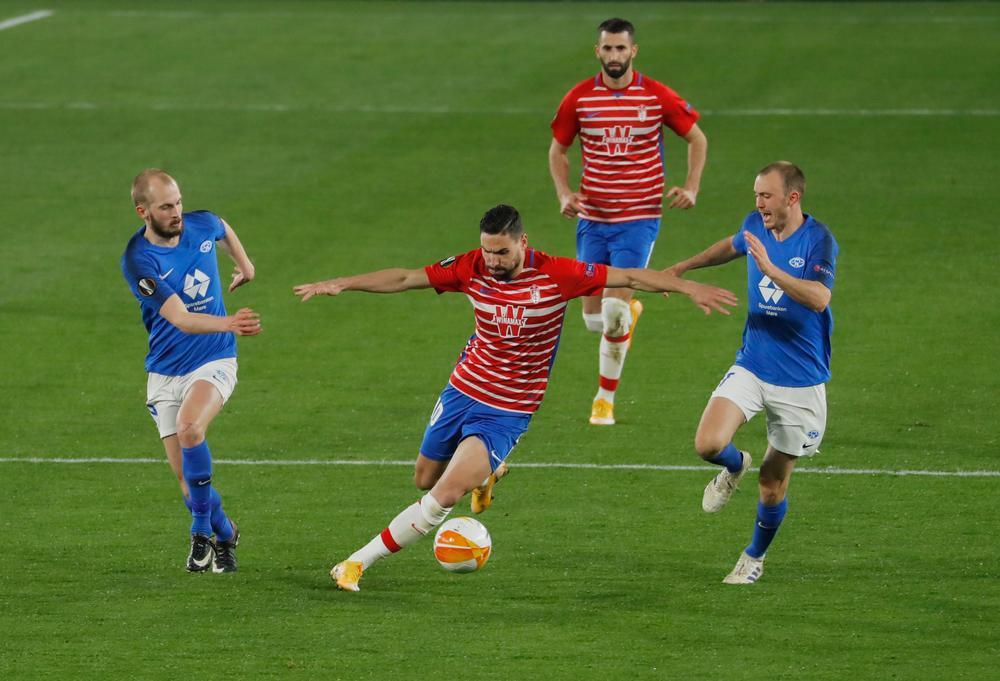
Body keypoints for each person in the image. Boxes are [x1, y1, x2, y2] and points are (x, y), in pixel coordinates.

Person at [293, 204, 737, 592]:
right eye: (487, 251)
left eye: (502, 251)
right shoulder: (470, 266)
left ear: (523, 242)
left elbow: (628, 275)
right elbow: (408, 277)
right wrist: (344, 282)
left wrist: (688, 286)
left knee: (444, 494)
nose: (493, 260)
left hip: (507, 410)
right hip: (462, 388)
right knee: (424, 479)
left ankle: (355, 563)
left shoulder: (558, 274)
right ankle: (489, 471)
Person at [665, 162, 838, 584]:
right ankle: (732, 464)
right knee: (708, 443)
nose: (758, 203)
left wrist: (773, 270)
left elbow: (818, 297)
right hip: (753, 364)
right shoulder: (754, 226)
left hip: (800, 379)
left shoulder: (819, 240)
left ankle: (753, 557)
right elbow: (730, 245)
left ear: (792, 197)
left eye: (766, 196)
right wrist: (682, 268)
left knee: (772, 485)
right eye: (756, 195)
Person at [549, 17, 708, 426]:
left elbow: (697, 138)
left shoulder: (655, 96)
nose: (615, 56)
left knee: (614, 314)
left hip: (638, 219)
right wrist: (565, 194)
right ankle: (629, 314)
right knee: (592, 320)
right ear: (597, 52)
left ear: (633, 51)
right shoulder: (580, 99)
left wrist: (691, 185)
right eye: (608, 48)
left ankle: (604, 399)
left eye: (622, 48)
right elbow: (558, 150)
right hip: (593, 220)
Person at [120, 169, 261, 573]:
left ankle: (200, 533)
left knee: (190, 428)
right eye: (166, 207)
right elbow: (181, 318)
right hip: (165, 372)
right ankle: (226, 532)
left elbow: (221, 225)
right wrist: (230, 321)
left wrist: (245, 266)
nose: (177, 212)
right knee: (188, 485)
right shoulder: (139, 261)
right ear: (143, 211)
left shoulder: (199, 223)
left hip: (214, 358)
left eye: (178, 202)